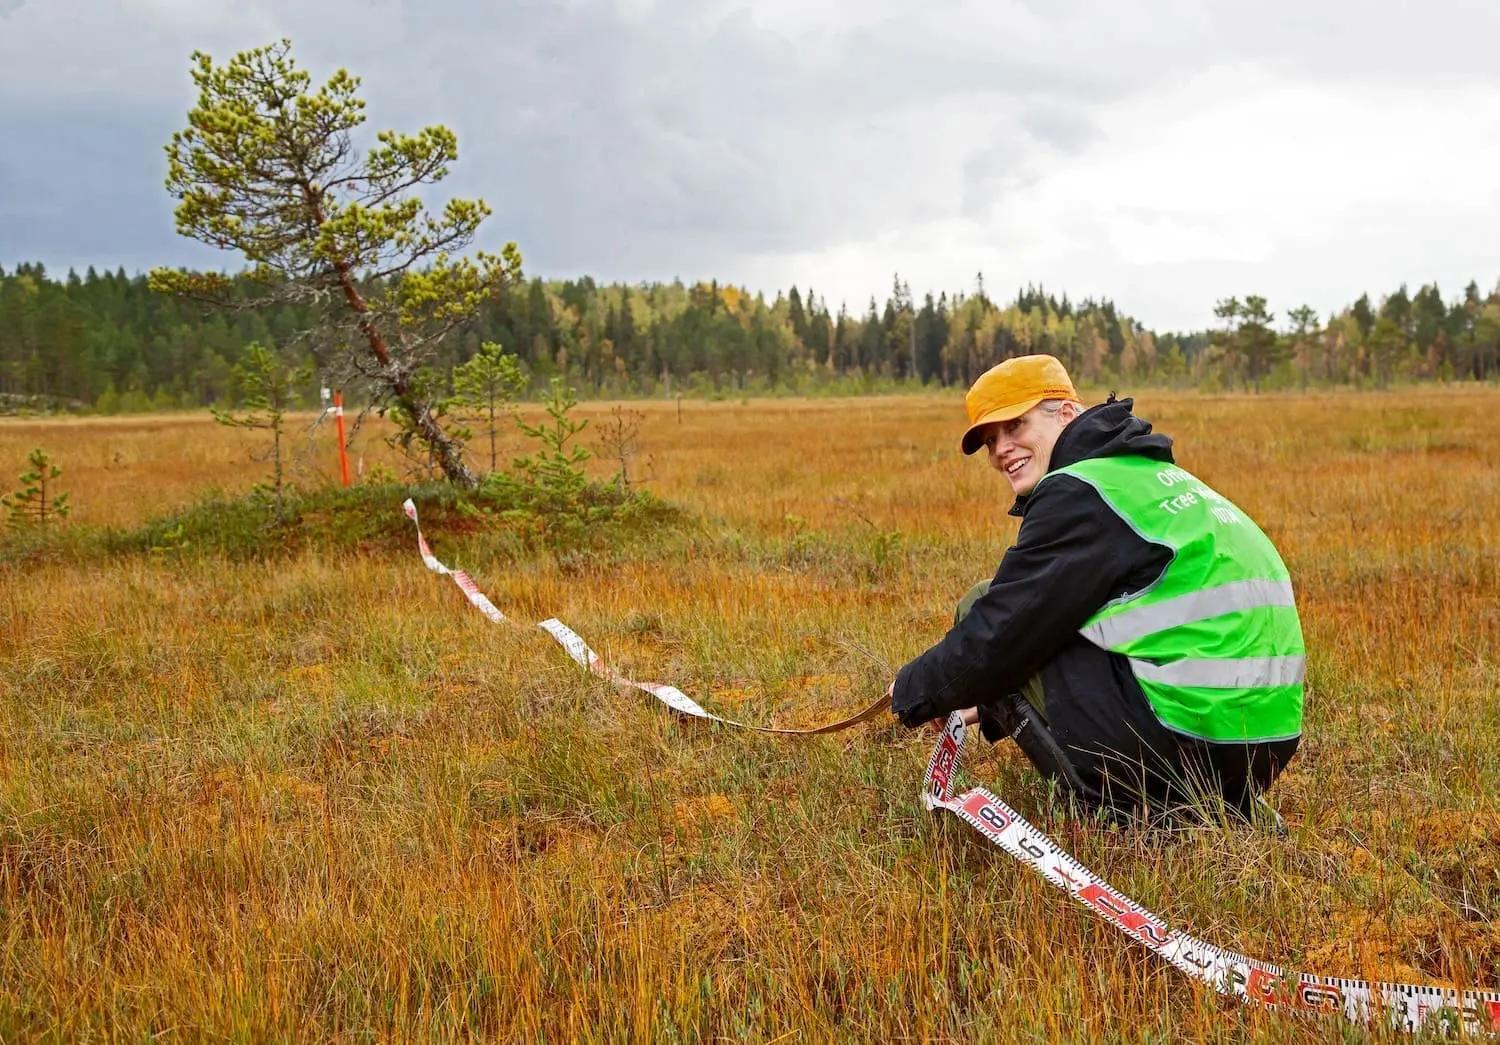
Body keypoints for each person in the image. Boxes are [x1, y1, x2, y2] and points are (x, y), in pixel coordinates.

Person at [888, 354, 1303, 823]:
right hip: (1264, 741)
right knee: (1046, 617)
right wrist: (982, 705)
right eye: (989, 440)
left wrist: (910, 690)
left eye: (1015, 426)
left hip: (1190, 739)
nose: (1001, 449)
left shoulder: (1078, 490)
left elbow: (1002, 632)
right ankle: (1224, 805)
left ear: (1066, 413)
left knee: (984, 604)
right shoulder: (1142, 476)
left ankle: (1119, 815)